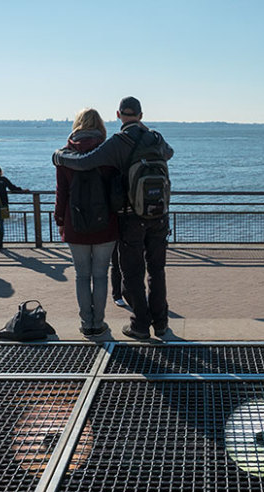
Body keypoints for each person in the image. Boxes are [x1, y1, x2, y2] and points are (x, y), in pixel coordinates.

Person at [53, 97, 174, 340]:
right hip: (159, 215)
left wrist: (59, 157)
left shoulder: (119, 141)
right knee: (157, 270)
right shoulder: (158, 139)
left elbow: (86, 162)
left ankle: (140, 325)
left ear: (118, 114)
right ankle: (160, 323)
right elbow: (169, 154)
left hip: (131, 218)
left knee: (132, 273)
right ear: (141, 114)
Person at [54, 108, 119, 337]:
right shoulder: (108, 151)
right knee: (101, 275)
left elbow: (61, 192)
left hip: (75, 222)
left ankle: (86, 323)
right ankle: (99, 322)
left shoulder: (64, 154)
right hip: (106, 223)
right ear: (100, 126)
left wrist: (60, 220)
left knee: (82, 276)